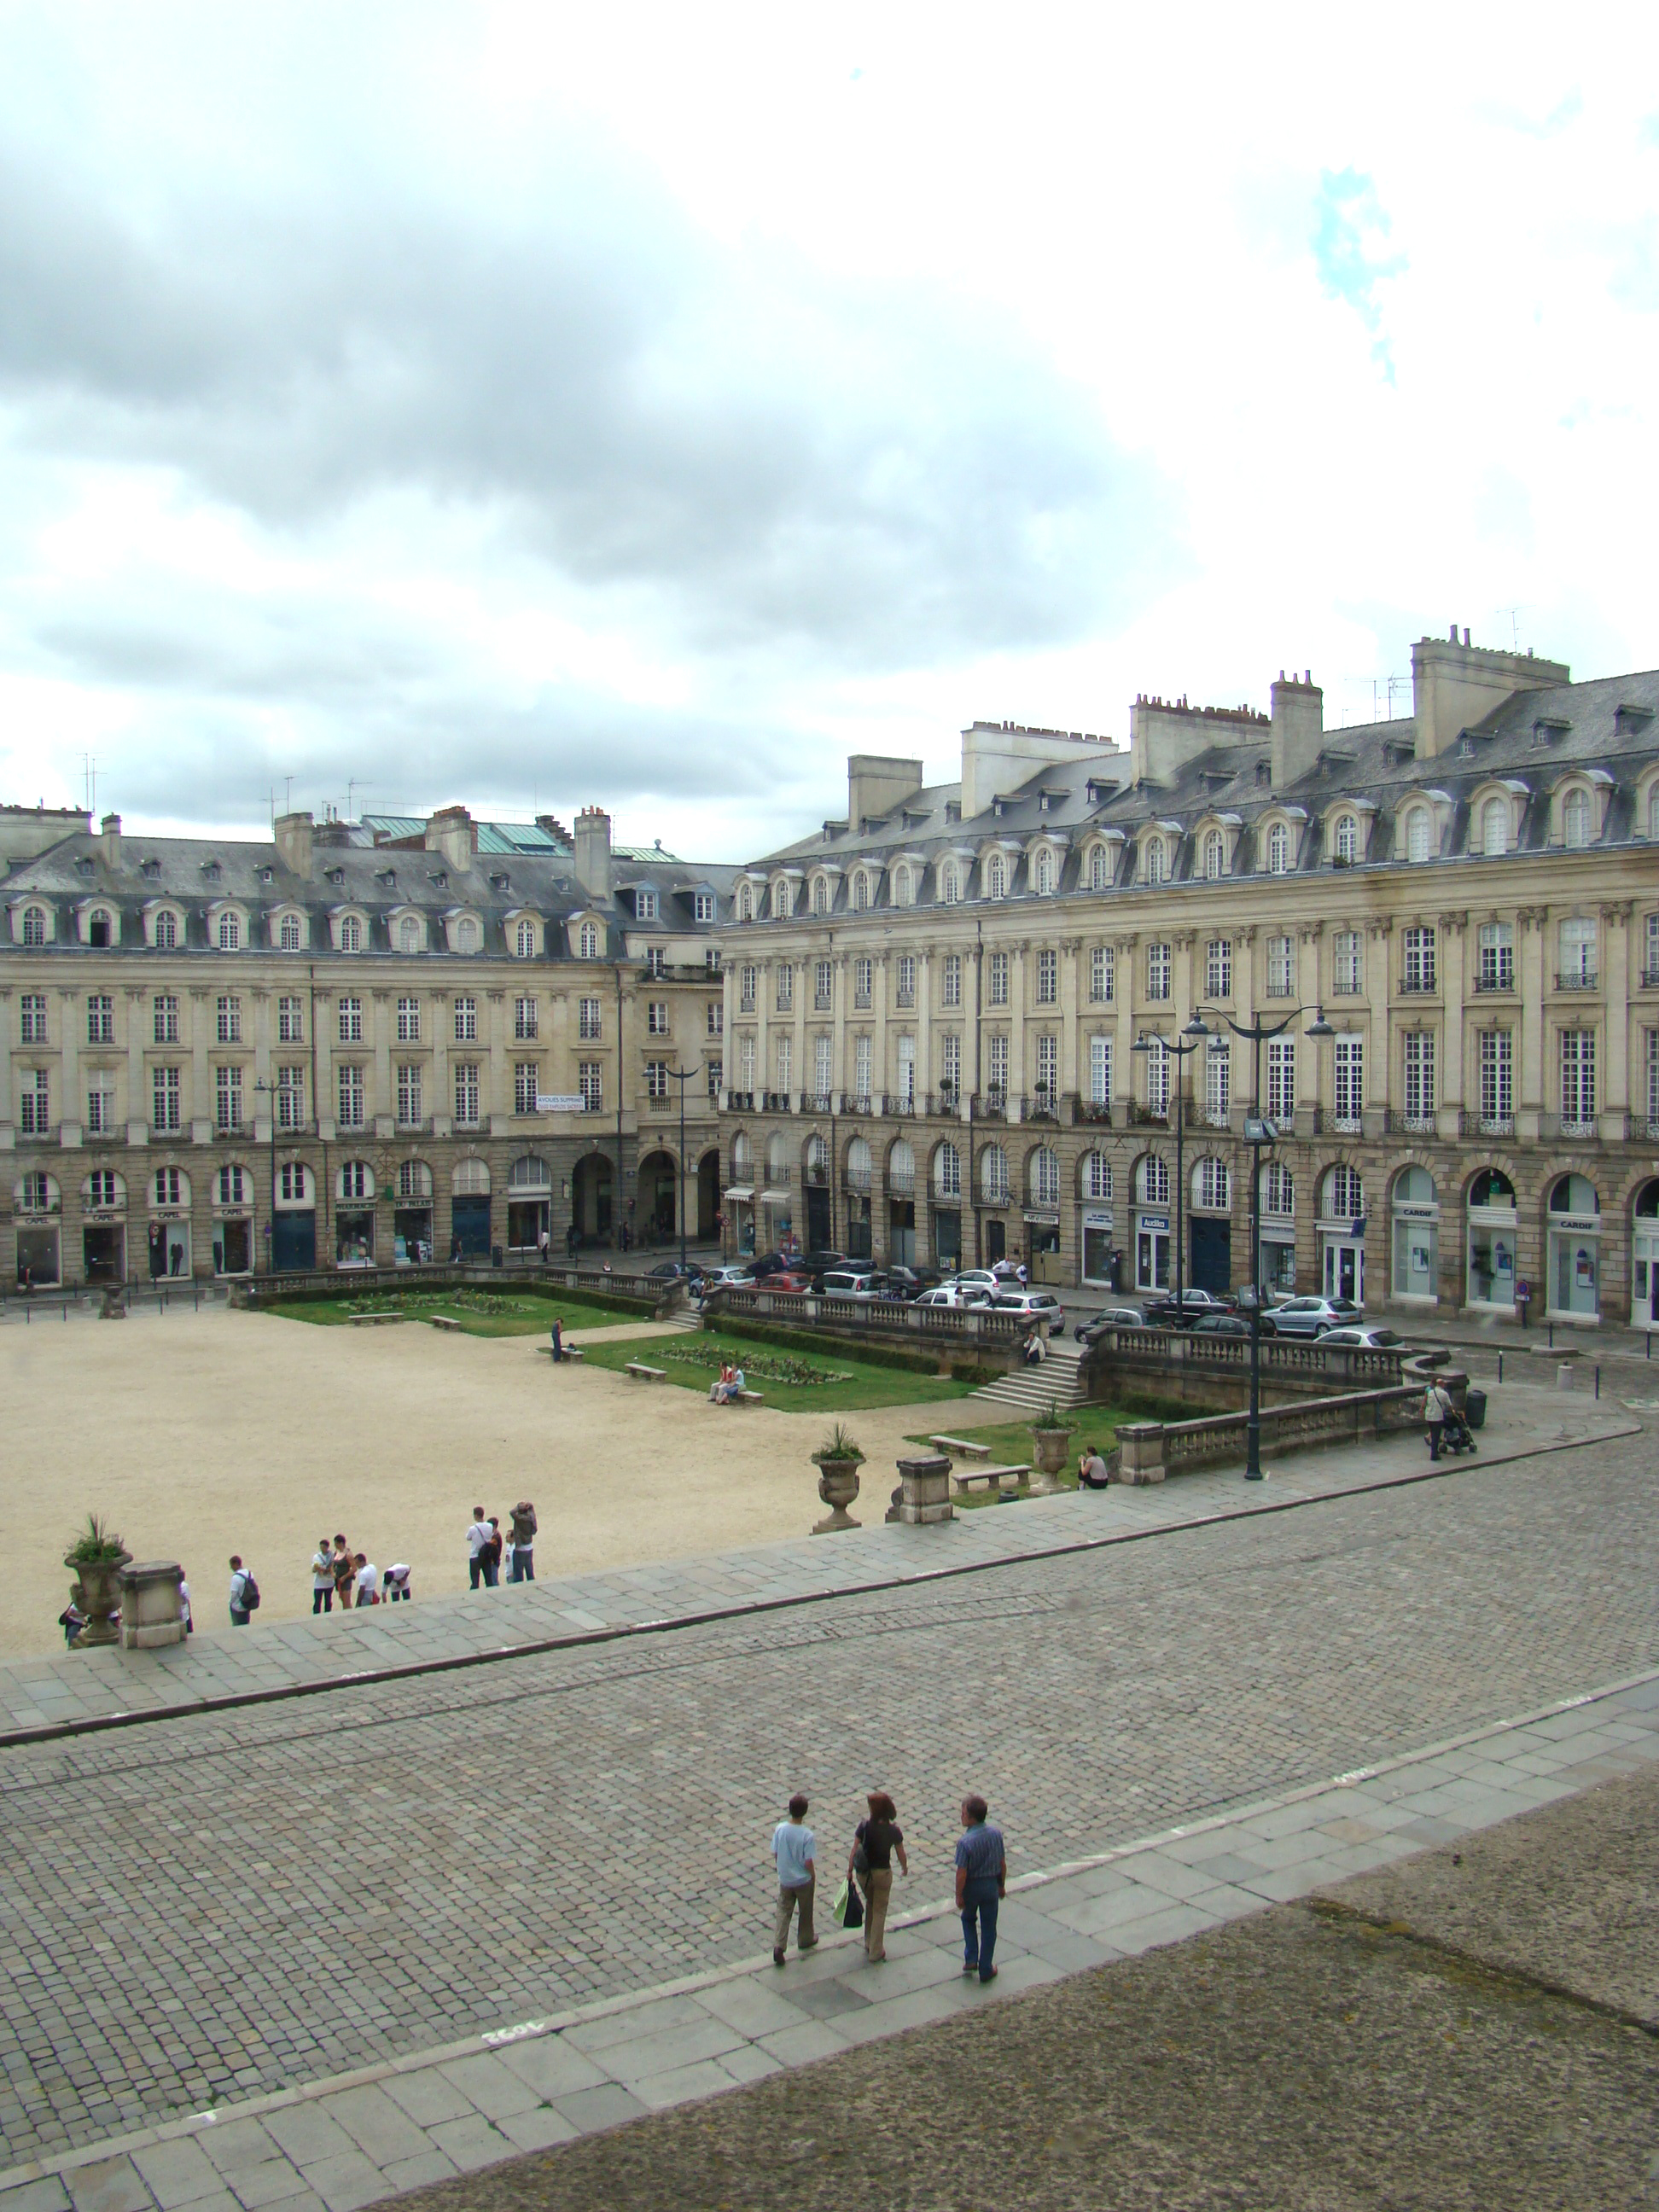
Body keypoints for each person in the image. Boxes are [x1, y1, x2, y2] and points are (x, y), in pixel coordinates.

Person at [849, 1792, 908, 1965]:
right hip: (882, 1873)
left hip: (864, 1874)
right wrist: (904, 1867)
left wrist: (849, 1870)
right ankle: (876, 1951)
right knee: (880, 1910)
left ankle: (869, 1941)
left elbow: (854, 1850)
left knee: (871, 1903)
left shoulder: (864, 1827)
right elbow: (901, 1853)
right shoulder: (893, 1831)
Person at [956, 1794, 1006, 1983]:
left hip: (972, 1887)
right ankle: (986, 1968)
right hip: (990, 1886)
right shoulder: (995, 1834)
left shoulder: (965, 1843)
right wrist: (1001, 1885)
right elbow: (1002, 1863)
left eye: (963, 1814)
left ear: (971, 1818)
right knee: (989, 1927)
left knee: (968, 1919)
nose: (961, 1817)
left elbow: (961, 1873)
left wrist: (959, 1895)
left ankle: (971, 1957)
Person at [771, 1793, 818, 1966]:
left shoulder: (780, 1829)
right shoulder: (807, 1835)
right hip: (803, 1880)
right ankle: (805, 1938)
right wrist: (813, 1875)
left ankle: (779, 1944)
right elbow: (808, 1861)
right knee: (805, 1910)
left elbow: (776, 1852)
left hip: (786, 1879)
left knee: (783, 1910)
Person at [466, 1506, 495, 1590]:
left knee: (475, 1581)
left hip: (475, 1555)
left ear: (476, 1516)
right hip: (486, 1555)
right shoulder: (490, 1526)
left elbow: (468, 1538)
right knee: (489, 1580)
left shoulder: (473, 1528)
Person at [1425, 1377, 1452, 1460]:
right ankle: (1434, 1455)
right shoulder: (1444, 1394)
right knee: (1436, 1436)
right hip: (1437, 1417)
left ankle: (1435, 1451)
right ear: (1442, 1384)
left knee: (1433, 1433)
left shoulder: (1431, 1392)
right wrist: (1452, 1412)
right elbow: (1449, 1406)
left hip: (1429, 1416)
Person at [510, 1500, 538, 1582]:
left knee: (518, 1573)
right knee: (529, 1571)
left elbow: (512, 1512)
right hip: (529, 1546)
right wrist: (529, 1505)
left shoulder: (519, 1518)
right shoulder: (531, 1517)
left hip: (520, 1547)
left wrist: (518, 1507)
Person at [311, 1537, 336, 1615]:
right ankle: (316, 1616)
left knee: (328, 1601)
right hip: (319, 1583)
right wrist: (317, 1568)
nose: (322, 1549)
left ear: (327, 1547)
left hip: (329, 1583)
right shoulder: (316, 1556)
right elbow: (313, 1570)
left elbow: (334, 1566)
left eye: (324, 1547)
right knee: (317, 1602)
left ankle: (327, 1615)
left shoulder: (332, 1555)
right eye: (321, 1547)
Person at [228, 1555, 254, 1627]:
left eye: (231, 1565)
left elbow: (234, 1594)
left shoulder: (235, 1577)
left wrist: (230, 1603)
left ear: (236, 1564)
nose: (231, 1568)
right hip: (247, 1604)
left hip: (238, 1607)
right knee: (246, 1624)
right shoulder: (249, 1573)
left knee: (237, 1627)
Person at [332, 1534, 356, 1612]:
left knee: (346, 1601)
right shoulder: (336, 1553)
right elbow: (332, 1566)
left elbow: (354, 1568)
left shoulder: (348, 1554)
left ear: (341, 1543)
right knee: (342, 1599)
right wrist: (333, 1574)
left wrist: (344, 1577)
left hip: (346, 1580)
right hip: (338, 1579)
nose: (335, 1545)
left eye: (336, 1543)